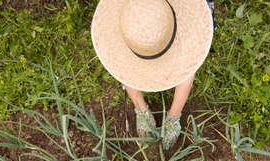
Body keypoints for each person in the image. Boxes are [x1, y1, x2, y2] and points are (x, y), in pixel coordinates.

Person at [91, 0, 215, 150]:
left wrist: (174, 116)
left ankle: (173, 117)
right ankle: (142, 113)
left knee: (188, 59)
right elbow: (124, 69)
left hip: (168, 17)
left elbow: (189, 67)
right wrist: (140, 108)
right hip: (137, 17)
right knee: (126, 58)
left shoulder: (185, 24)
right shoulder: (130, 20)